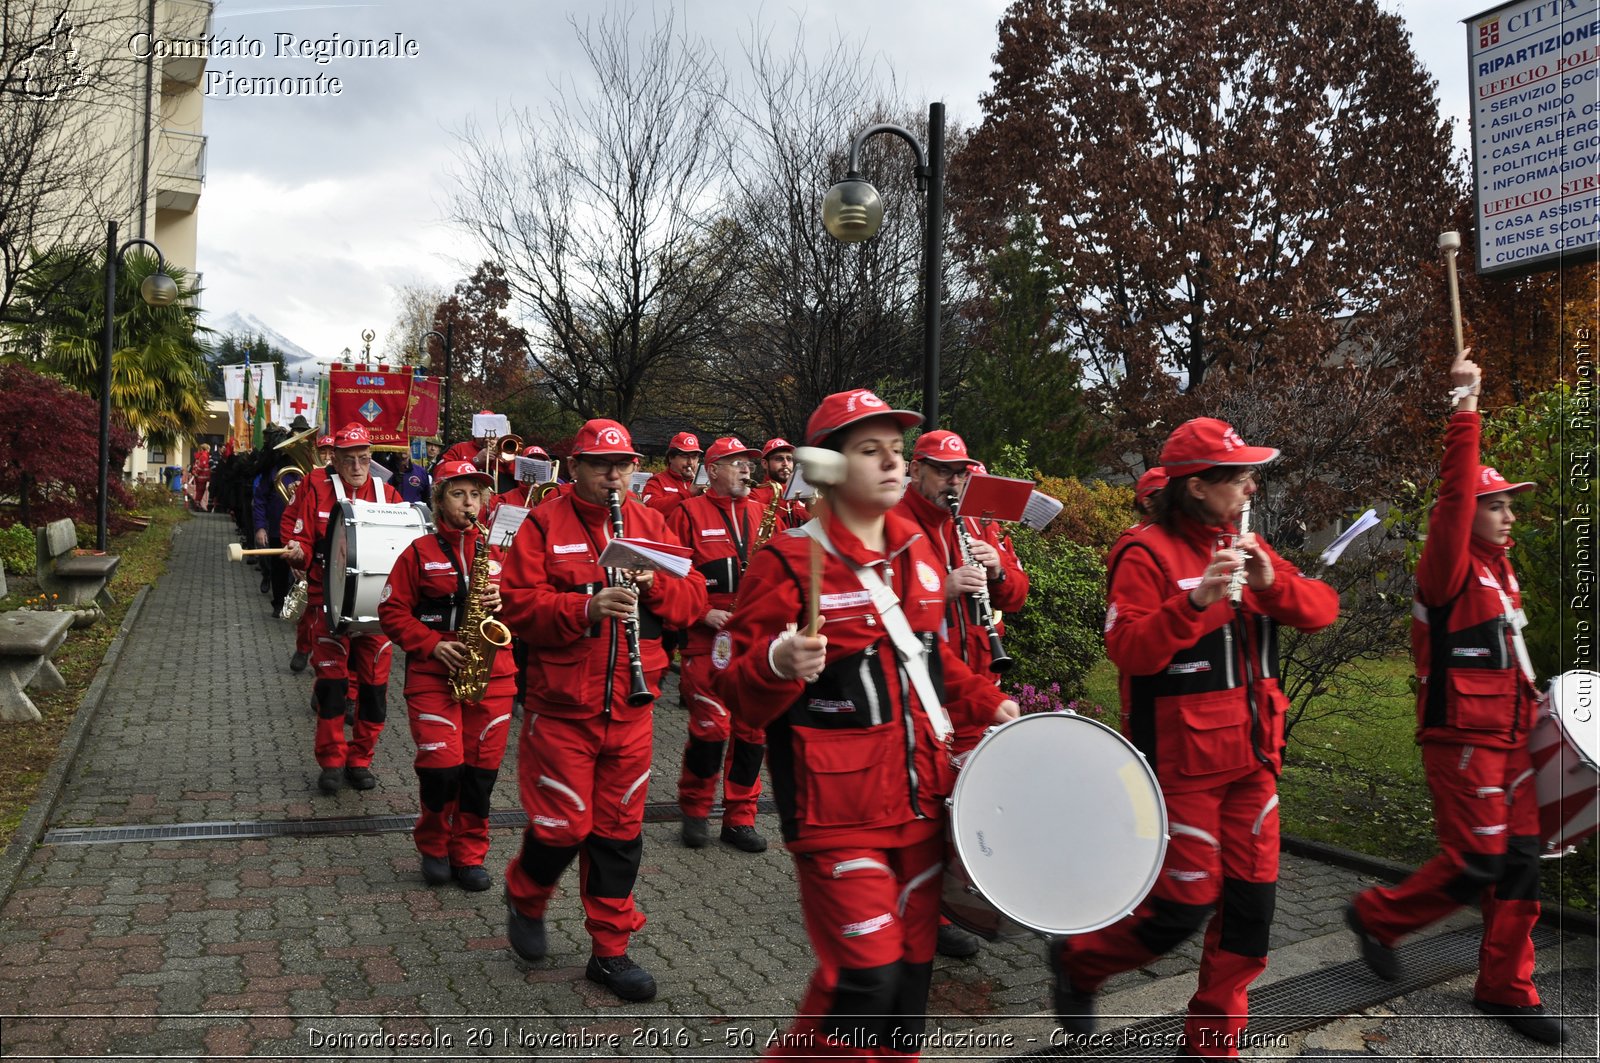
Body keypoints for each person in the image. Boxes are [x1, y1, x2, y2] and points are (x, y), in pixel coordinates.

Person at [713, 389, 1019, 1058]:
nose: (892, 463)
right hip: (836, 813)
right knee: (865, 981)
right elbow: (733, 684)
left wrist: (988, 702)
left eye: (897, 451)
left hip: (921, 805)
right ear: (826, 466)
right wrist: (776, 658)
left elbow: (930, 664)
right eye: (869, 450)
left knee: (908, 989)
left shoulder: (918, 551)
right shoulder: (792, 561)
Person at [1050, 416, 1339, 1059]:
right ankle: (1081, 963)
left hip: (1255, 760)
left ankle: (1211, 1048)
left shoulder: (1251, 545)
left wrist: (1273, 583)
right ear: (1198, 487)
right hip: (1181, 767)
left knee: (1249, 916)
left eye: (1249, 474)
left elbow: (1322, 609)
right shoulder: (1143, 551)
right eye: (1238, 476)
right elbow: (1128, 650)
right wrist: (1196, 603)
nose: (1251, 487)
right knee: (1181, 907)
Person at [1344, 352, 1564, 1045]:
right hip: (1461, 739)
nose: (1506, 515)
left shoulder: (1503, 574)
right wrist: (1465, 408)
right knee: (1476, 861)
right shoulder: (1446, 566)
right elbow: (1451, 499)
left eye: (1507, 505)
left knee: (1521, 863)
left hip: (1513, 738)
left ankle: (1506, 987)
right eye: (1495, 504)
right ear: (1468, 511)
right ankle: (1378, 915)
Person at [498, 418, 708, 1003]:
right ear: (576, 468)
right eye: (600, 464)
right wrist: (585, 607)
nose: (613, 475)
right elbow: (516, 606)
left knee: (619, 834)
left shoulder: (651, 523)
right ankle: (527, 892)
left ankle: (610, 954)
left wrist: (657, 585)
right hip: (563, 706)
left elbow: (693, 600)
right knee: (564, 827)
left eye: (622, 465)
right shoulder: (544, 523)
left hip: (633, 708)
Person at [892, 428, 1031, 960]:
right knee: (923, 813)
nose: (954, 480)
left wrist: (997, 572)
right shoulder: (895, 528)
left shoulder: (977, 524)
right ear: (916, 469)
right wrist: (941, 588)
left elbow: (1016, 596)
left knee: (963, 809)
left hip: (976, 685)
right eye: (943, 470)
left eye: (961, 471)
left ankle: (939, 911)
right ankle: (914, 917)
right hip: (925, 692)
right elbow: (885, 620)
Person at [378, 460, 515, 892]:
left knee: (479, 777)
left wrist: (505, 599)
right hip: (433, 673)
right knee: (441, 769)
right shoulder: (418, 552)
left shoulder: (499, 552)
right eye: (459, 494)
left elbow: (531, 604)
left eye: (476, 494)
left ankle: (469, 854)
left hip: (492, 672)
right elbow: (391, 610)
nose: (469, 502)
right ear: (439, 500)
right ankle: (434, 845)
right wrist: (432, 644)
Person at [281, 423, 405, 794]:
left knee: (374, 694)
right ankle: (332, 761)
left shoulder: (389, 494)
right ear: (334, 458)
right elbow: (300, 539)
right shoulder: (316, 488)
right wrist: (297, 553)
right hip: (327, 605)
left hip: (376, 612)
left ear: (370, 457)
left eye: (363, 458)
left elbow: (408, 548)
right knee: (333, 689)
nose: (356, 466)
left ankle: (361, 760)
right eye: (348, 459)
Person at [666, 436, 770, 853]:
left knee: (752, 735)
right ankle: (694, 810)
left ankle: (740, 819)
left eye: (748, 463)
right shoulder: (687, 513)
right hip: (705, 642)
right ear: (712, 470)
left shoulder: (763, 512)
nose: (747, 469)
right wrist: (703, 612)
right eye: (736, 463)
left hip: (753, 642)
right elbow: (670, 577)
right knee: (711, 728)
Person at [747, 437, 811, 531]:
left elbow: (816, 517)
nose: (785, 463)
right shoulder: (754, 496)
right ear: (765, 464)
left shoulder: (793, 494)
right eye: (779, 459)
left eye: (789, 459)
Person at [640, 431, 703, 515]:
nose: (690, 462)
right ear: (671, 458)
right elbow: (651, 509)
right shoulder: (657, 481)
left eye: (694, 457)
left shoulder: (700, 483)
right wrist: (688, 493)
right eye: (684, 456)